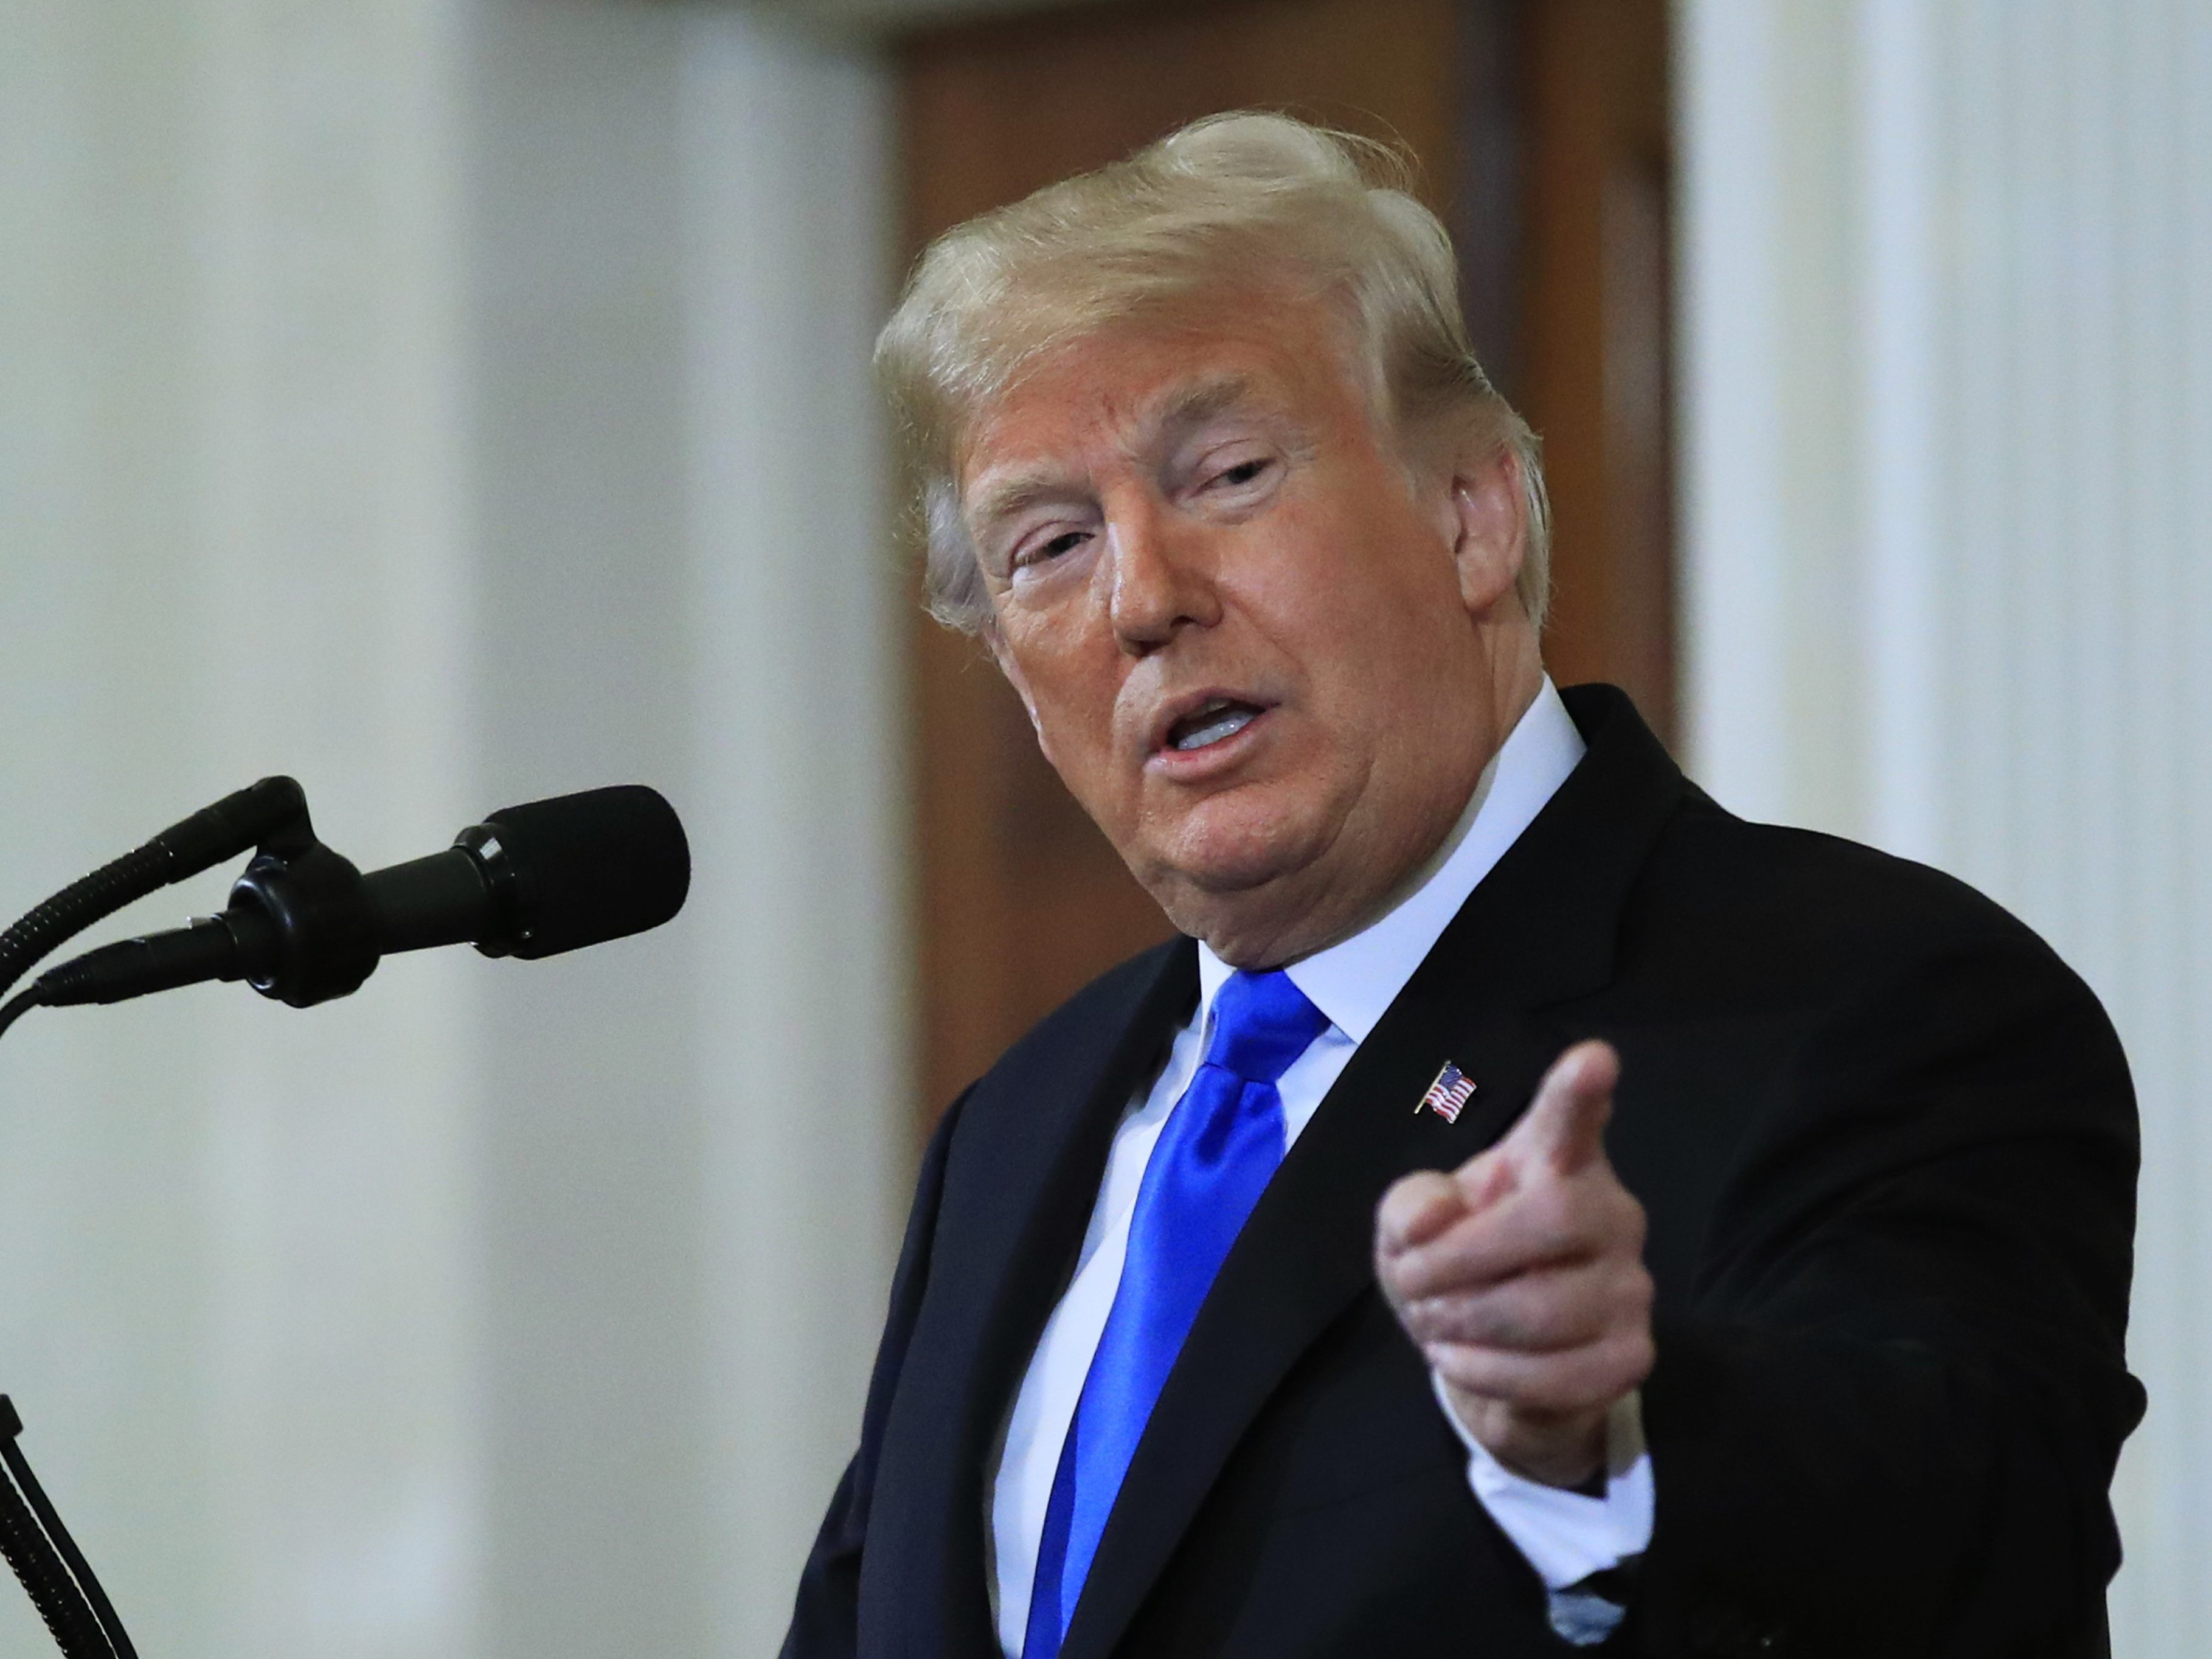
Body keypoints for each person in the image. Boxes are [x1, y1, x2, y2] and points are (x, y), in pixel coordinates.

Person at [781, 113, 2142, 1659]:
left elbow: (1966, 1522)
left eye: (1226, 472)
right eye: (1049, 543)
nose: (1142, 597)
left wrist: (1605, 1435)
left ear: (1472, 513)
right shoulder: (1018, 1127)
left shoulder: (1867, 999)